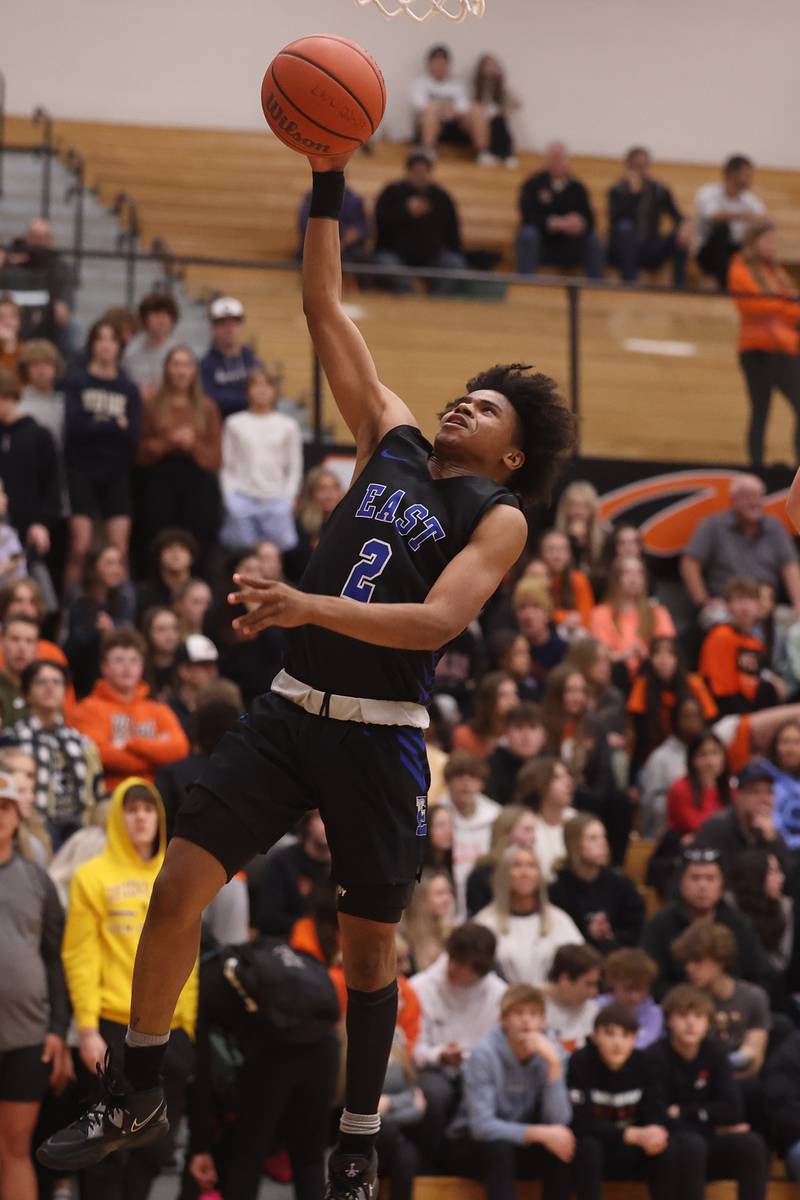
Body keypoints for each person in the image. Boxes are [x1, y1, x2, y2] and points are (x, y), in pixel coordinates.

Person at [36, 154, 577, 1200]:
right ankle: (137, 1085)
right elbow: (323, 301)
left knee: (367, 956)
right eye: (464, 395)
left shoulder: (498, 516)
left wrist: (306, 605)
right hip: (288, 714)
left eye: (485, 409)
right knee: (178, 888)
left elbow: (436, 621)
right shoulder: (390, 435)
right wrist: (328, 175)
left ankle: (358, 1140)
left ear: (513, 456)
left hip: (379, 732)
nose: (462, 407)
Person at [52, 778, 197, 1198]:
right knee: (105, 1156)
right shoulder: (91, 877)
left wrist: (189, 1027)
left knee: (155, 1152)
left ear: (160, 817)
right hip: (113, 1027)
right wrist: (86, 1029)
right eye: (132, 810)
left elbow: (188, 957)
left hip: (172, 1032)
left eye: (148, 809)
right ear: (118, 816)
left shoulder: (176, 877)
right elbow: (80, 957)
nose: (140, 818)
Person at [0, 769, 71, 1200]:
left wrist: (57, 1029)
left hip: (27, 1035)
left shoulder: (37, 878)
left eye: (5, 806)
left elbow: (55, 959)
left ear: (17, 815)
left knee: (14, 1149)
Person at [447, 983, 575, 1200]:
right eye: (518, 1013)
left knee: (561, 1145)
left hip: (521, 1142)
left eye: (533, 1014)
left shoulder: (553, 1054)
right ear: (503, 1019)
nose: (526, 1020)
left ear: (543, 1021)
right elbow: (481, 1127)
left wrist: (553, 1065)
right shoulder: (483, 1054)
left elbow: (558, 1121)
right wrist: (541, 1133)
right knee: (500, 1148)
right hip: (474, 1144)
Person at [649, 984, 769, 1200]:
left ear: (707, 1022)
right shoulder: (654, 1056)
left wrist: (684, 1112)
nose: (691, 1023)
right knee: (692, 1144)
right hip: (670, 1146)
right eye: (683, 1016)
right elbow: (658, 1117)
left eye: (698, 1016)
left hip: (704, 1139)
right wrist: (710, 1121)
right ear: (668, 1020)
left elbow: (733, 1110)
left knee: (752, 1144)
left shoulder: (715, 1052)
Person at [410, 922, 507, 1159]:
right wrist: (440, 1055)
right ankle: (429, 1162)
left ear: (480, 970)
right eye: (454, 960)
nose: (455, 969)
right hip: (431, 1068)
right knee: (435, 1093)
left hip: (480, 1070)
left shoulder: (500, 995)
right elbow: (412, 1048)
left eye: (465, 966)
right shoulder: (420, 987)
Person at [568, 1004, 683, 1200]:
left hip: (632, 1148)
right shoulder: (580, 1062)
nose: (618, 1043)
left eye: (626, 1035)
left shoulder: (646, 1063)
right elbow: (579, 1122)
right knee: (588, 1146)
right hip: (598, 1147)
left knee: (666, 1146)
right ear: (595, 1036)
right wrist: (629, 1134)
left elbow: (656, 1110)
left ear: (635, 1039)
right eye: (609, 1034)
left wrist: (654, 1130)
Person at [63, 319, 141, 591]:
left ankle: (125, 607)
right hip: (81, 469)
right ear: (92, 344)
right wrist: (113, 424)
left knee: (120, 548)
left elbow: (132, 436)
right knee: (79, 545)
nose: (106, 345)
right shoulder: (77, 382)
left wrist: (95, 422)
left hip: (116, 471)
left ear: (120, 346)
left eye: (112, 339)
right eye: (100, 338)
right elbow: (74, 429)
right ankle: (70, 608)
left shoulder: (128, 388)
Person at [640, 849, 771, 997]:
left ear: (721, 885)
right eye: (695, 878)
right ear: (681, 883)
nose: (702, 885)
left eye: (710, 878)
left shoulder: (737, 924)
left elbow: (760, 974)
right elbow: (650, 979)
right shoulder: (660, 924)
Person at [72, 628, 189, 790]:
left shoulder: (158, 710)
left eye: (134, 661)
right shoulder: (87, 709)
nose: (127, 667)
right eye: (119, 660)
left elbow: (180, 749)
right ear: (104, 667)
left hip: (155, 796)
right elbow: (99, 755)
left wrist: (130, 744)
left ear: (142, 667)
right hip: (108, 795)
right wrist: (154, 758)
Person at [11, 658, 104, 850]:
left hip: (80, 831)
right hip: (30, 831)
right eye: (41, 682)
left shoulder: (82, 743)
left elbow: (97, 793)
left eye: (56, 682)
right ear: (27, 693)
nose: (50, 687)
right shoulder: (12, 740)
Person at [137, 344, 222, 553]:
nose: (181, 371)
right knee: (157, 538)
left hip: (197, 483)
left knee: (197, 539)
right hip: (159, 480)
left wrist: (193, 445)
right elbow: (139, 453)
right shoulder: (151, 404)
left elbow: (215, 459)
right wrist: (169, 442)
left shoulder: (208, 408)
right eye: (176, 365)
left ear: (194, 371)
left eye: (186, 365)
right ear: (167, 369)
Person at [727, 222, 800, 463]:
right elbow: (753, 307)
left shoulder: (776, 272)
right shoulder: (740, 268)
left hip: (785, 348)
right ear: (754, 241)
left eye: (773, 240)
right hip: (756, 350)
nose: (771, 245)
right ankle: (757, 466)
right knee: (761, 410)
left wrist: (779, 307)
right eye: (767, 240)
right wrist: (782, 305)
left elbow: (794, 310)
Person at [681, 474, 800, 618]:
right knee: (714, 617)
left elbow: (790, 566)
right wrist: (704, 601)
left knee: (793, 624)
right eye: (748, 496)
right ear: (733, 499)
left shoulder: (774, 527)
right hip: (727, 607)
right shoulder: (712, 526)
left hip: (766, 607)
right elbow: (690, 563)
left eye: (758, 496)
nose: (754, 502)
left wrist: (798, 602)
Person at [672, 923, 771, 1081]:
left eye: (697, 960)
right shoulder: (682, 1000)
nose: (689, 968)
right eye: (686, 961)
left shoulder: (753, 997)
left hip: (738, 1082)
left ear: (720, 959)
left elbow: (754, 1061)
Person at [220, 365, 303, 552]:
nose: (262, 390)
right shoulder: (234, 423)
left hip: (277, 500)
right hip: (241, 498)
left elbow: (294, 467)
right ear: (247, 390)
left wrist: (288, 498)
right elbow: (227, 465)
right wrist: (230, 497)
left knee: (273, 557)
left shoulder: (288, 425)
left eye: (267, 385)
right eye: (256, 385)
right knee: (243, 556)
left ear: (275, 391)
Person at [474, 845, 583, 983]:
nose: (525, 873)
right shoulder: (485, 922)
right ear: (503, 874)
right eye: (517, 865)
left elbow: (580, 964)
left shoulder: (559, 920)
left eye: (531, 866)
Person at [374, 150, 467, 295]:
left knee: (455, 264)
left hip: (433, 256)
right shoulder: (392, 192)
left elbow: (452, 230)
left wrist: (455, 251)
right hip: (396, 254)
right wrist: (405, 211)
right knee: (386, 263)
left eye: (424, 170)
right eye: (416, 170)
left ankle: (436, 301)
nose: (420, 175)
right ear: (408, 171)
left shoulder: (441, 197)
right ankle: (408, 297)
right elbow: (380, 222)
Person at [549, 813, 644, 952]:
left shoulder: (621, 884)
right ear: (574, 844)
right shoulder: (557, 891)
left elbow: (636, 928)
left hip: (616, 955)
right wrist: (589, 933)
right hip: (576, 958)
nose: (603, 843)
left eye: (603, 836)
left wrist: (610, 937)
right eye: (592, 838)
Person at [627, 636, 718, 774]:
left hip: (692, 750)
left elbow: (710, 720)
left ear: (678, 658)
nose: (663, 659)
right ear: (650, 659)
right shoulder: (642, 685)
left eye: (670, 654)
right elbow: (638, 732)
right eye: (657, 653)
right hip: (653, 753)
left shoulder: (694, 683)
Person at [154, 696, 241, 839]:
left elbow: (161, 830)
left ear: (197, 731)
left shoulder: (170, 773)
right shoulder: (248, 775)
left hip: (181, 849)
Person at [516, 142, 605, 278]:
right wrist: (554, 223)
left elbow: (590, 219)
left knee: (594, 239)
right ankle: (526, 283)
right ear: (546, 160)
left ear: (567, 161)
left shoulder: (577, 187)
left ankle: (595, 286)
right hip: (543, 244)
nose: (557, 162)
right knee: (528, 234)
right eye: (553, 158)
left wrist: (579, 223)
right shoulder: (533, 185)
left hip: (571, 245)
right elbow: (527, 215)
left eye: (561, 158)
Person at [607, 146, 690, 287]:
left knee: (681, 235)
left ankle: (680, 288)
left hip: (650, 248)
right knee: (625, 228)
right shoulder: (617, 190)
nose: (641, 171)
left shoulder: (659, 190)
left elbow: (678, 216)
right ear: (628, 167)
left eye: (644, 166)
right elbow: (615, 221)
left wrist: (685, 226)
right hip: (621, 252)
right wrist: (633, 194)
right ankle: (629, 283)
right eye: (637, 167)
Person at [692, 757, 793, 874]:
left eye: (769, 792)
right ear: (738, 796)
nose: (764, 799)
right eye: (755, 792)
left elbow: (787, 876)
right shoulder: (716, 828)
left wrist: (772, 839)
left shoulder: (769, 831)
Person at [0, 367, 60, 562]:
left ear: (6, 396)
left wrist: (41, 523)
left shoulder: (38, 435)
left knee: (36, 579)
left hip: (28, 533)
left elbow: (52, 486)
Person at [699, 578, 782, 715]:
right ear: (728, 606)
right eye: (739, 600)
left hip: (753, 712)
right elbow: (721, 693)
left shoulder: (755, 643)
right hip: (726, 715)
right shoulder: (720, 636)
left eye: (750, 600)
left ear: (758, 607)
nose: (745, 607)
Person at [64, 544, 137, 697]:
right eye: (109, 563)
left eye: (119, 563)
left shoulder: (126, 599)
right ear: (93, 567)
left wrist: (112, 630)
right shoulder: (79, 601)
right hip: (85, 679)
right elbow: (71, 649)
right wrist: (96, 631)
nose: (116, 569)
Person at [589, 555, 675, 677]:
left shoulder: (658, 613)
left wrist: (645, 655)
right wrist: (623, 656)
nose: (634, 578)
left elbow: (668, 649)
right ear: (616, 579)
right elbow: (599, 654)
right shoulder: (600, 614)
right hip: (615, 674)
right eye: (627, 572)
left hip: (650, 674)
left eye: (639, 573)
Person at [439, 750, 501, 914]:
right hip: (446, 895)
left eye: (473, 777)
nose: (466, 783)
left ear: (482, 783)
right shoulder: (434, 817)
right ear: (447, 781)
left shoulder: (496, 816)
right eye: (459, 776)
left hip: (485, 895)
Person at [639, 695, 707, 838]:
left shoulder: (710, 754)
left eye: (696, 716)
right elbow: (650, 804)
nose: (692, 722)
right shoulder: (660, 757)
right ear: (676, 721)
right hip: (670, 831)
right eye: (687, 717)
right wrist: (684, 808)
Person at [695, 155, 766, 290]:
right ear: (732, 174)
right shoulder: (709, 192)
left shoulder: (750, 200)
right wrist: (743, 215)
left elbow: (762, 219)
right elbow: (712, 216)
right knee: (722, 229)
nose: (749, 179)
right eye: (746, 175)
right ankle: (725, 285)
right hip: (709, 251)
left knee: (759, 237)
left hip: (738, 250)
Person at [256, 809, 331, 936]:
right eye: (322, 817)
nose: (330, 825)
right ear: (308, 822)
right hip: (289, 940)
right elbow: (268, 919)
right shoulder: (284, 861)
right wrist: (309, 929)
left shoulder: (345, 868)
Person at [410, 45, 490, 162]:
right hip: (431, 123)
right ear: (429, 64)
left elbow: (464, 106)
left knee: (477, 109)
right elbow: (419, 105)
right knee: (431, 110)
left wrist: (451, 111)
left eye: (443, 64)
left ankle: (482, 152)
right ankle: (428, 151)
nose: (440, 67)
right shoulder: (420, 83)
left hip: (455, 124)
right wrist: (442, 107)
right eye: (436, 64)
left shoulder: (457, 84)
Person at [728, 850, 794, 986]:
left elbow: (781, 961)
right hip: (733, 981)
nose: (781, 878)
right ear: (754, 875)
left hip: (771, 982)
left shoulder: (785, 908)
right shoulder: (729, 905)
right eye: (773, 872)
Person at [464, 803, 537, 916]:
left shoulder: (535, 870)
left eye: (534, 830)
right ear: (506, 832)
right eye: (527, 830)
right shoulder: (481, 875)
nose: (534, 838)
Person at [199, 295, 264, 420]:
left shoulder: (252, 360)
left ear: (241, 325)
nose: (229, 329)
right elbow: (210, 399)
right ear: (213, 328)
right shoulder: (205, 365)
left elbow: (265, 392)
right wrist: (248, 396)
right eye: (222, 323)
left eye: (234, 323)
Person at [513, 755, 576, 882]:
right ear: (539, 783)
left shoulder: (575, 819)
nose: (568, 782)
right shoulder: (523, 825)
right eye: (557, 778)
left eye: (568, 775)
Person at [597, 948, 663, 1049]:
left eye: (641, 989)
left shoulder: (655, 1014)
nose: (634, 997)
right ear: (612, 982)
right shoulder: (596, 1008)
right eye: (628, 988)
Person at [666, 732, 731, 837]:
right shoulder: (680, 788)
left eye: (715, 753)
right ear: (691, 760)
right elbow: (698, 827)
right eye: (702, 755)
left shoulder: (730, 789)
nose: (710, 762)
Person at [544, 943, 602, 1054]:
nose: (594, 992)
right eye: (589, 984)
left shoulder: (593, 1011)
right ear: (565, 980)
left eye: (596, 984)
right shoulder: (531, 1009)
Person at [554, 480, 612, 591]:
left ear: (592, 509)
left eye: (583, 506)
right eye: (572, 505)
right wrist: (574, 542)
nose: (577, 511)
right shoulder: (555, 538)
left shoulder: (606, 538)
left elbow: (604, 578)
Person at [486, 701, 546, 805]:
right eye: (519, 727)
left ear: (545, 735)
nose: (526, 736)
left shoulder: (553, 767)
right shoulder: (490, 768)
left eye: (533, 727)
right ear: (506, 733)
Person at [121, 292, 180, 398]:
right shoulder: (131, 349)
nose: (161, 320)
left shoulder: (178, 351)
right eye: (156, 315)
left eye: (166, 315)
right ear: (145, 318)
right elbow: (124, 382)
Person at [163, 634, 220, 741]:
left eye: (214, 664)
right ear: (184, 671)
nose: (213, 671)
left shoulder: (221, 706)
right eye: (205, 665)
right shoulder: (167, 711)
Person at [512, 579, 568, 685]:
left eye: (536, 607)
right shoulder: (511, 652)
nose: (527, 615)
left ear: (548, 613)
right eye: (522, 607)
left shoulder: (563, 652)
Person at [452, 671, 519, 757]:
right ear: (488, 700)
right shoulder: (464, 735)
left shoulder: (521, 735)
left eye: (514, 694)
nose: (512, 701)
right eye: (503, 695)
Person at [400, 869, 456, 973]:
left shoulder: (450, 934)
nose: (448, 898)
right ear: (420, 898)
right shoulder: (403, 938)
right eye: (440, 893)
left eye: (449, 892)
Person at [539, 528, 595, 632]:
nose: (556, 555)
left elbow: (587, 617)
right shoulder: (536, 577)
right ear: (541, 554)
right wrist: (564, 617)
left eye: (561, 549)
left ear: (569, 554)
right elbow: (539, 612)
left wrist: (570, 620)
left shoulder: (579, 579)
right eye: (550, 549)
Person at [135, 527, 198, 618]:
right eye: (169, 548)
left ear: (191, 557)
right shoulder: (144, 594)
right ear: (159, 555)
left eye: (182, 548)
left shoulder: (200, 591)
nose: (176, 554)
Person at [472, 53, 518, 166]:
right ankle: (484, 152)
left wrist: (500, 110)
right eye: (487, 65)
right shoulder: (474, 86)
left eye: (493, 65)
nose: (490, 68)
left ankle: (506, 154)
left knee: (500, 121)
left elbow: (516, 103)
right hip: (479, 122)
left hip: (495, 120)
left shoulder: (501, 88)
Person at [0, 613, 40, 725]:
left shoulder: (46, 690)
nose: (22, 647)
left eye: (29, 641)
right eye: (15, 639)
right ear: (2, 643)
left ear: (36, 648)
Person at [141, 605, 181, 700]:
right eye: (161, 629)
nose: (170, 635)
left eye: (174, 628)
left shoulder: (186, 663)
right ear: (148, 633)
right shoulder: (140, 667)